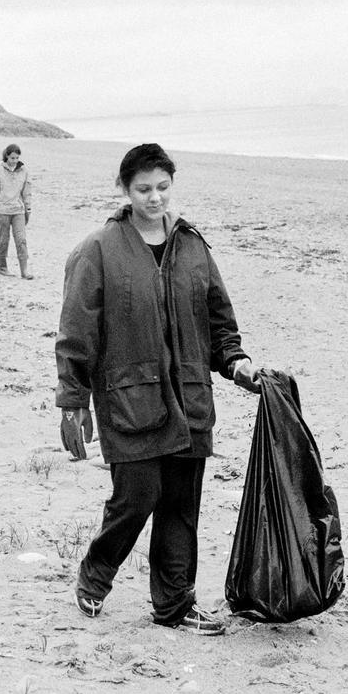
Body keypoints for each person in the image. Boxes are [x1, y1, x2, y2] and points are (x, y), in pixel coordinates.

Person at [56, 143, 261, 635]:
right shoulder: (98, 250)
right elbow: (76, 331)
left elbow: (218, 319)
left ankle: (174, 605)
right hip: (129, 398)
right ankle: (95, 575)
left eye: (163, 188)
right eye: (144, 189)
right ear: (125, 191)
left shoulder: (192, 246)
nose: (155, 198)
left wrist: (236, 363)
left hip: (189, 398)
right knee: (137, 497)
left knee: (180, 507)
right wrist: (72, 401)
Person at [0, 143, 34, 279]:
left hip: (18, 210)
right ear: (7, 156)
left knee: (21, 240)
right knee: (3, 240)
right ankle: (2, 267)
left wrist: (28, 209)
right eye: (12, 158)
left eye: (17, 158)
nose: (15, 161)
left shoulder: (24, 171)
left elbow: (27, 192)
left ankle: (24, 271)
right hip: (1, 210)